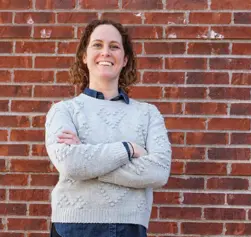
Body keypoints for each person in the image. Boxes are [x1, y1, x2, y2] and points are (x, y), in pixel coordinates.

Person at [45, 19, 172, 237]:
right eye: (97, 45)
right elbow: (70, 164)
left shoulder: (148, 114)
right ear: (84, 57)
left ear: (124, 60)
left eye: (114, 46)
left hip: (129, 228)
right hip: (73, 227)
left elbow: (159, 172)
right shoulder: (63, 111)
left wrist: (89, 160)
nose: (105, 52)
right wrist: (128, 149)